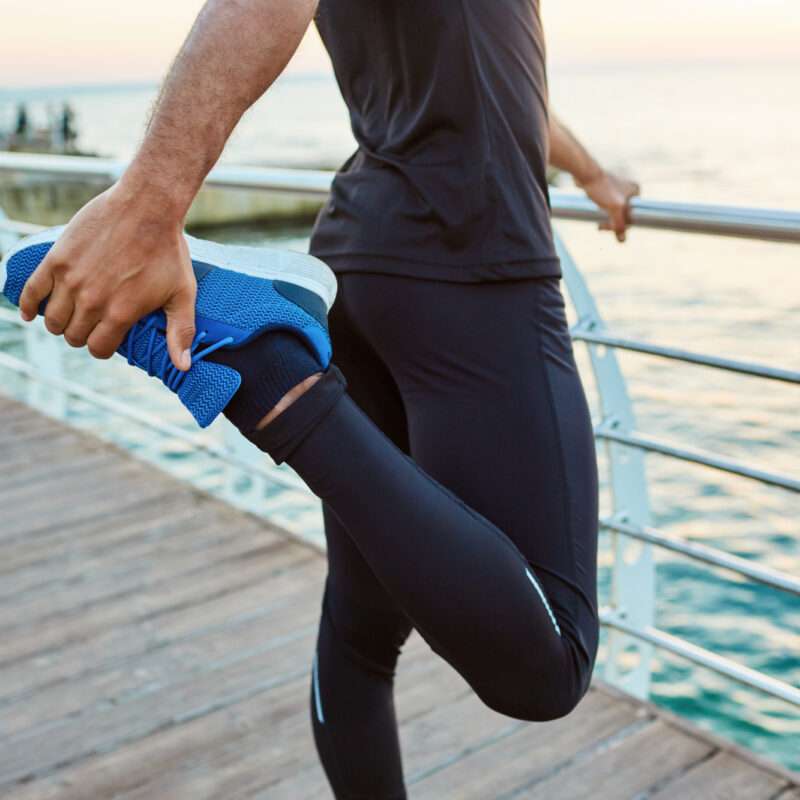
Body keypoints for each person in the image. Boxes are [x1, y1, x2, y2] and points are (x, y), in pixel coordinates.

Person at [11, 2, 639, 797]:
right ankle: (271, 374)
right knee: (549, 664)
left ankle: (274, 367)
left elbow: (502, 79)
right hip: (474, 262)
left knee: (362, 631)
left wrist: (588, 173)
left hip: (365, 261)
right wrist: (149, 205)